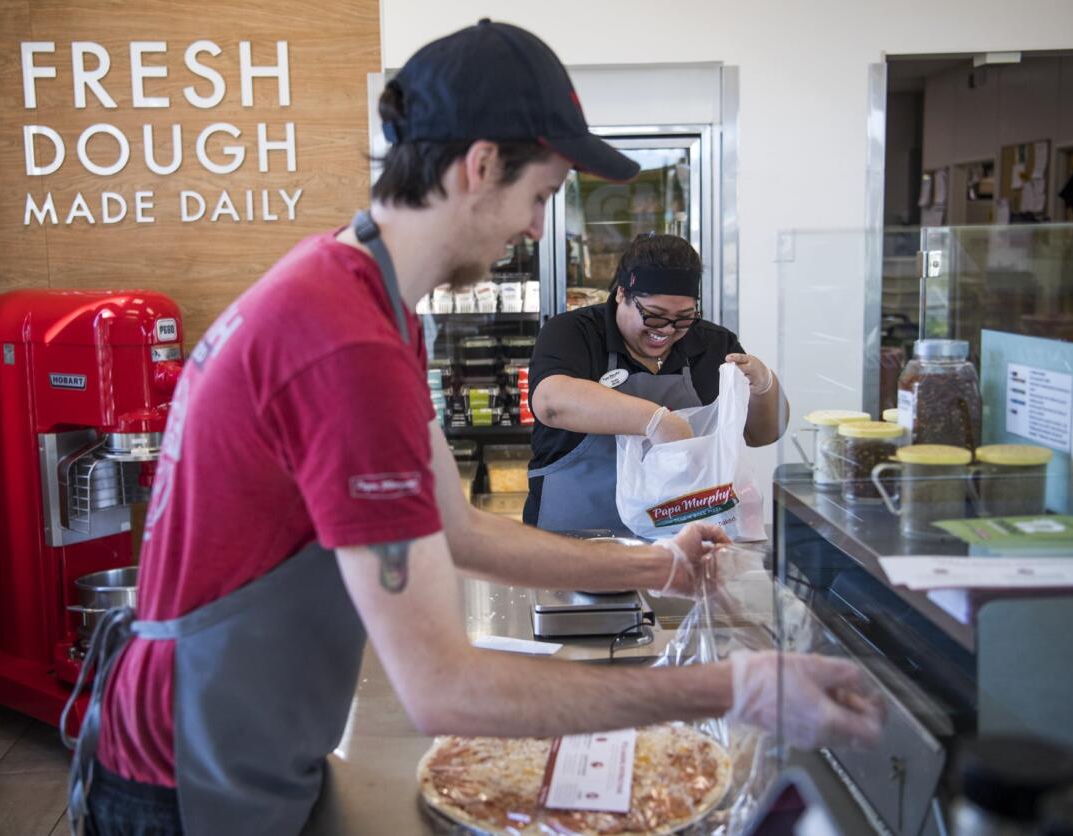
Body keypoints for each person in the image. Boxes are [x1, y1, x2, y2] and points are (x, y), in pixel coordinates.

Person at [65, 19, 882, 836]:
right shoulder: (343, 340)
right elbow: (442, 688)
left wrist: (657, 567)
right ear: (480, 164)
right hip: (185, 777)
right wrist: (732, 690)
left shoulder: (370, 300)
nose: (535, 228)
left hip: (250, 739)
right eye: (541, 196)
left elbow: (451, 528)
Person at [525, 233, 787, 534]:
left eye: (684, 318)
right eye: (654, 316)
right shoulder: (574, 332)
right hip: (577, 535)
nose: (666, 330)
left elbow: (762, 434)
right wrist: (657, 421)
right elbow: (551, 402)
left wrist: (764, 385)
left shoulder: (713, 344)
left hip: (679, 537)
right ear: (622, 293)